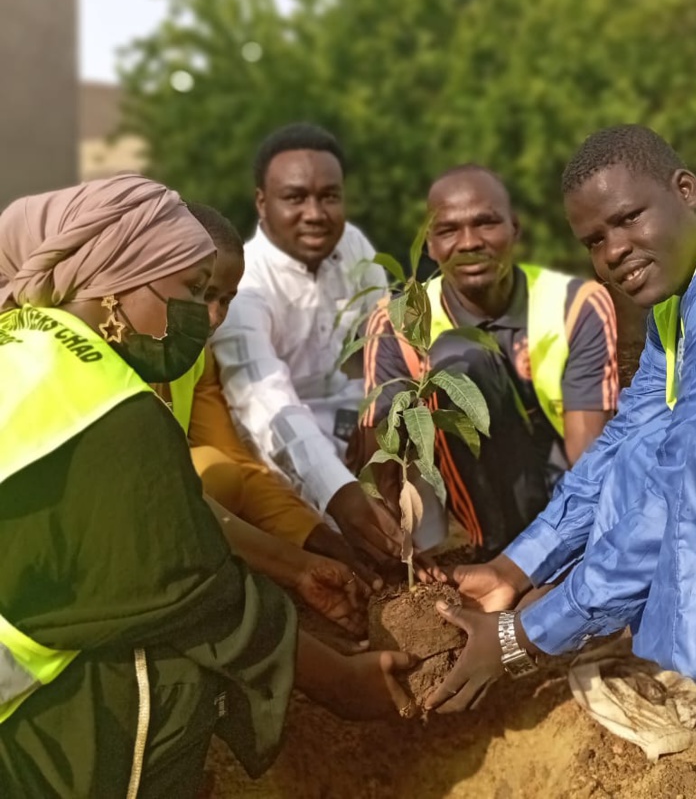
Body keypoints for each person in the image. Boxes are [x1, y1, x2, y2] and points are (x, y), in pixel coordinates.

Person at [426, 125, 696, 720]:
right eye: (595, 240)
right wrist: (515, 567)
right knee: (644, 454)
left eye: (629, 218)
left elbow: (681, 487)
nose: (613, 251)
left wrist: (523, 636)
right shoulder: (687, 282)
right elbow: (628, 440)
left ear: (685, 189)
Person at [0, 174, 414, 798]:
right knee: (179, 671)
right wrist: (341, 684)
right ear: (120, 276)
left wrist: (298, 564)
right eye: (192, 290)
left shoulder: (25, 338)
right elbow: (198, 598)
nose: (206, 317)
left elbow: (169, 518)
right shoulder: (112, 408)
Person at [362, 164, 619, 556]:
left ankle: (532, 566)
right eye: (448, 230)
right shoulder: (398, 321)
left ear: (514, 229)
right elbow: (383, 458)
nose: (469, 242)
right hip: (460, 501)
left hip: (558, 488)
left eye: (486, 223)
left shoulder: (576, 304)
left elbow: (589, 460)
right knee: (457, 360)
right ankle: (489, 554)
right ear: (429, 245)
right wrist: (403, 553)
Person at [168, 202, 376, 636]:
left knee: (226, 473)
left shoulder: (195, 358)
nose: (214, 318)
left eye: (226, 300)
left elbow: (243, 468)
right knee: (211, 475)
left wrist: (325, 544)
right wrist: (294, 565)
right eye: (202, 293)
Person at [211, 123, 403, 569]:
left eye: (329, 196)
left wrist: (380, 416)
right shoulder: (245, 284)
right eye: (295, 198)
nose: (315, 214)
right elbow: (267, 403)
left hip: (351, 420)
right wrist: (340, 493)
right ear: (262, 203)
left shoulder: (353, 246)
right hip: (277, 444)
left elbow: (385, 340)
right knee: (343, 533)